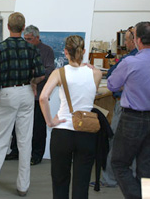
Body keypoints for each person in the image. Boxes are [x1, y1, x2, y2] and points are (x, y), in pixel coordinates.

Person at [0, 12, 45, 198]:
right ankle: (23, 187)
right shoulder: (32, 49)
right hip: (25, 93)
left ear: (8, 27)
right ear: (24, 28)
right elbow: (41, 74)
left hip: (5, 94)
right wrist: (32, 83)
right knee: (25, 142)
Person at [109, 21, 150, 199]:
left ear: (138, 40)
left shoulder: (130, 62)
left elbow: (112, 84)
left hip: (132, 119)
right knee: (145, 166)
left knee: (119, 163)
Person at [39, 35, 102, 199]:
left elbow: (43, 97)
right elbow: (90, 94)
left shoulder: (59, 73)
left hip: (62, 132)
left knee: (60, 180)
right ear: (84, 51)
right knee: (82, 183)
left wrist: (50, 121)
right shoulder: (95, 73)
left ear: (65, 51)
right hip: (86, 131)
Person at [6, 25, 54, 166]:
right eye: (25, 39)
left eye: (30, 39)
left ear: (37, 38)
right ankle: (15, 151)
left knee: (38, 127)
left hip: (38, 95)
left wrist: (33, 74)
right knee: (17, 124)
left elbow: (50, 70)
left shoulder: (47, 51)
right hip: (21, 93)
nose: (27, 42)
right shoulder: (21, 49)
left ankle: (37, 154)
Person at [99, 26, 138, 188]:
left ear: (134, 41)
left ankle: (109, 178)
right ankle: (133, 176)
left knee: (115, 140)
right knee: (137, 143)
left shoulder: (128, 60)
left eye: (128, 40)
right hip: (143, 110)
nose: (126, 43)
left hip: (124, 105)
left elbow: (112, 77)